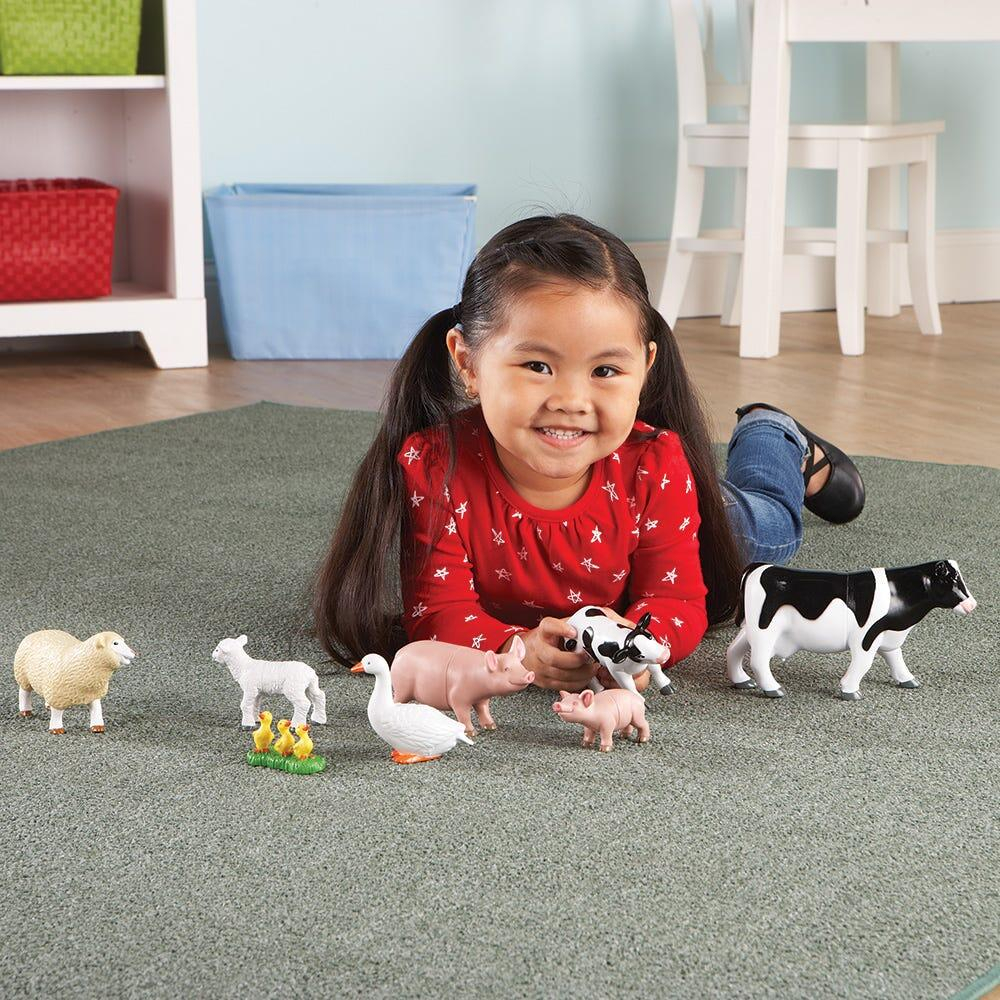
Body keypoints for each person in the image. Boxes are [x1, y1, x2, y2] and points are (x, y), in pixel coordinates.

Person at [313, 214, 864, 691]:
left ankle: (771, 432)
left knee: (764, 523)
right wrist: (516, 650)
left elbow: (677, 603)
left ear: (644, 369)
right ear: (467, 362)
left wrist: (638, 645)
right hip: (624, 507)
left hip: (672, 509)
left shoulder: (657, 465)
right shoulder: (435, 466)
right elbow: (438, 612)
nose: (571, 401)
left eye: (605, 370)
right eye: (537, 366)